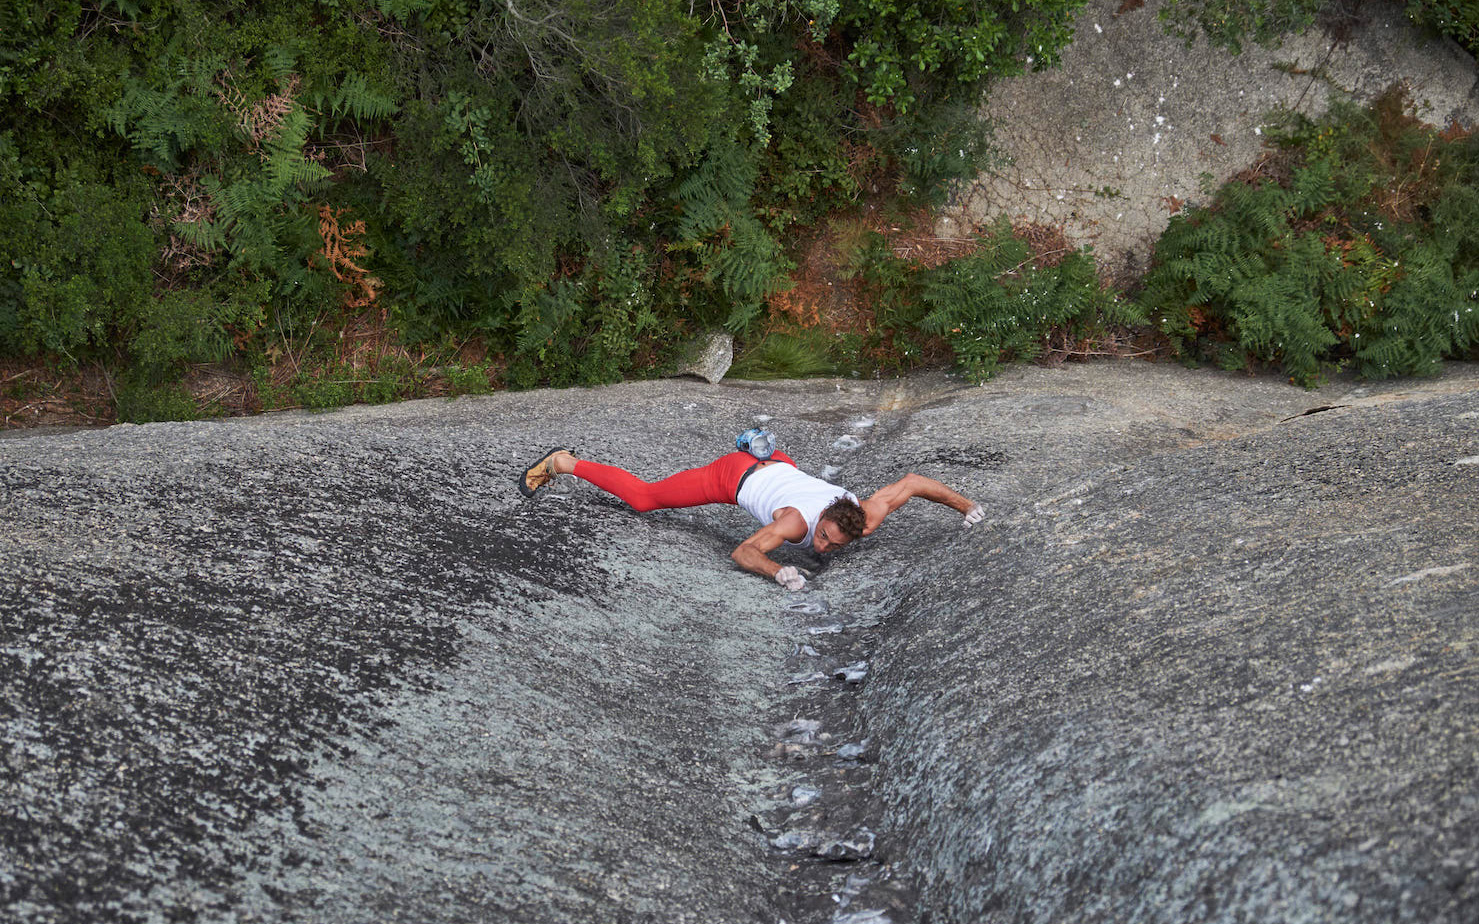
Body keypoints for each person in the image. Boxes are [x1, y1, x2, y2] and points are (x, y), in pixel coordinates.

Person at [519, 446, 985, 591]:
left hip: (779, 461)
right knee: (645, 499)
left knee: (782, 466)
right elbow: (743, 550)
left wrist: (967, 508)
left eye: (832, 545)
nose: (821, 547)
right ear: (818, 520)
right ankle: (564, 462)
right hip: (736, 475)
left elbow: (914, 483)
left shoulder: (865, 516)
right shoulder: (797, 525)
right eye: (823, 537)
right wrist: (778, 569)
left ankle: (764, 445)